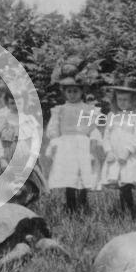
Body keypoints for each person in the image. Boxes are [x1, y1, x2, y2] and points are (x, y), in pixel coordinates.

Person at [44, 75, 101, 214]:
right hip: (66, 145)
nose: (72, 94)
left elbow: (93, 129)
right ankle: (70, 206)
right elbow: (54, 128)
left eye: (75, 91)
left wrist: (93, 145)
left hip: (82, 144)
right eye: (69, 91)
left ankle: (83, 203)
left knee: (82, 174)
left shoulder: (88, 109)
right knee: (69, 176)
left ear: (82, 92)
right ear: (64, 92)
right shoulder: (60, 109)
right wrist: (54, 143)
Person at [100, 78, 136, 217]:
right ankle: (124, 209)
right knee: (121, 183)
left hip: (130, 156)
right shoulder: (112, 115)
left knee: (129, 181)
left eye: (126, 100)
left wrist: (127, 152)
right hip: (115, 155)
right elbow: (107, 135)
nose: (123, 103)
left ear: (134, 100)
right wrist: (108, 151)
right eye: (120, 99)